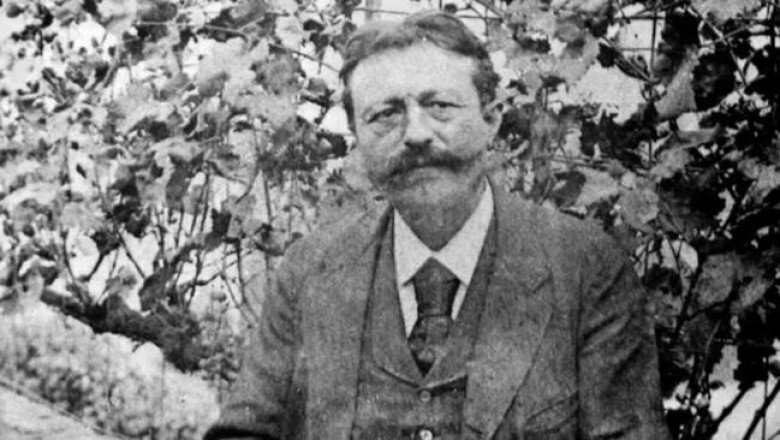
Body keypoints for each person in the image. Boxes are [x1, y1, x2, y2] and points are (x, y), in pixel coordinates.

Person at [204, 10, 670, 440]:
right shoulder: (310, 271)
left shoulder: (584, 269)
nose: (416, 134)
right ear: (357, 137)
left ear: (491, 118)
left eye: (440, 106)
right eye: (385, 115)